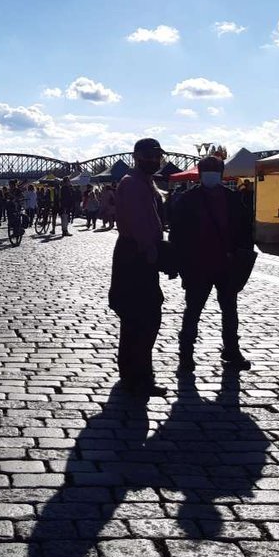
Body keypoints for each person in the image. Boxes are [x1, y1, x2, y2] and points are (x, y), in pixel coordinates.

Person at [170, 156, 255, 374]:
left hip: (226, 264)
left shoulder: (232, 198)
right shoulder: (188, 199)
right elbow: (178, 234)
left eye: (214, 171)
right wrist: (181, 263)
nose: (211, 175)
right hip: (198, 265)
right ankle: (186, 355)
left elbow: (245, 229)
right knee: (194, 311)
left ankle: (231, 350)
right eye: (208, 170)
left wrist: (241, 254)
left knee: (229, 310)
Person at [109, 138, 169, 396]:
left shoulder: (142, 182)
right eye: (149, 156)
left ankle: (132, 373)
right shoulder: (133, 184)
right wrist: (153, 251)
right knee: (145, 318)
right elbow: (139, 223)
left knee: (137, 318)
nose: (155, 161)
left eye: (157, 156)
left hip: (136, 253)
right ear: (137, 156)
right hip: (136, 254)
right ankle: (139, 376)